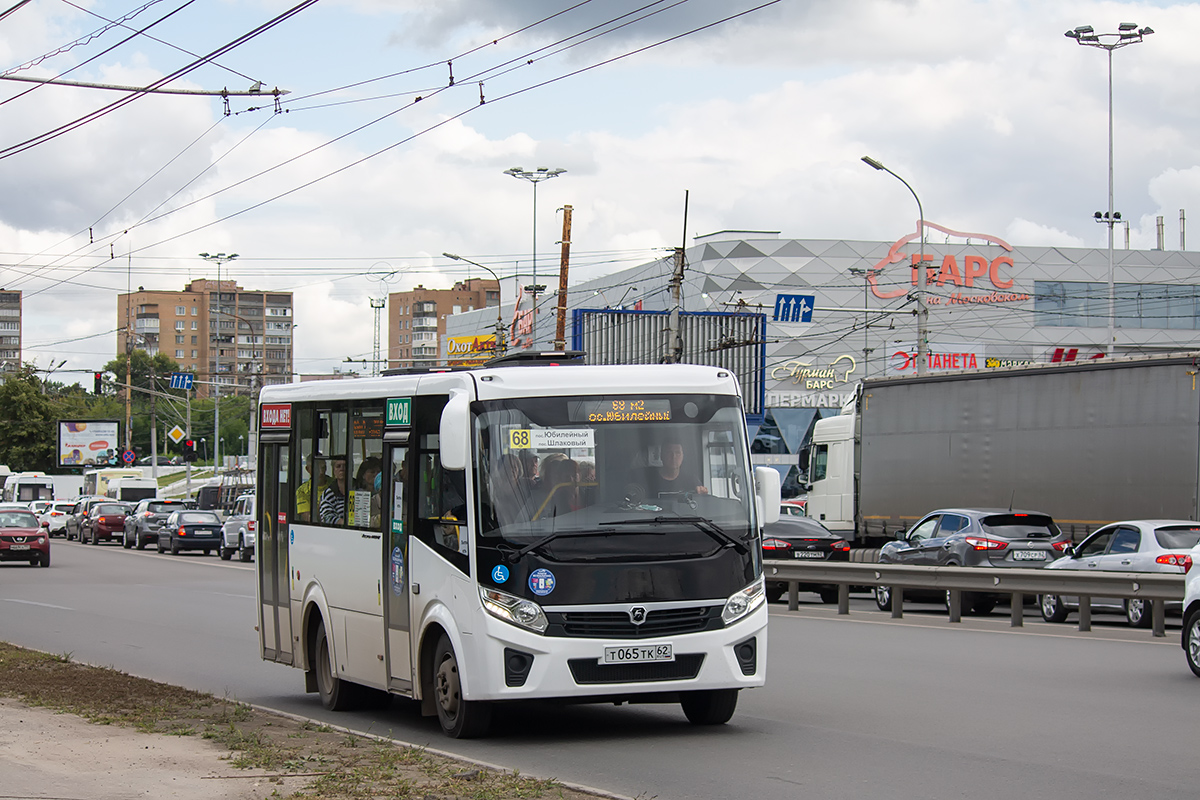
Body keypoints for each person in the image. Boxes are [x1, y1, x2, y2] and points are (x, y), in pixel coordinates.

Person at [295, 455, 329, 522]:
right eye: (317, 468)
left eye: (323, 467)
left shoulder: (334, 484)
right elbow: (309, 518)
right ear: (308, 469)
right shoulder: (302, 491)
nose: (321, 472)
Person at [319, 456, 348, 524]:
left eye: (345, 466)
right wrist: (346, 524)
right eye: (338, 466)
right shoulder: (328, 493)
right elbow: (326, 517)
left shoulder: (359, 488)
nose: (342, 469)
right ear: (334, 470)